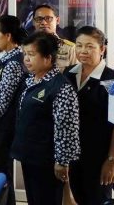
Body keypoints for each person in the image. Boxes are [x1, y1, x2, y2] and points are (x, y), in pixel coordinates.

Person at [11, 31, 80, 205]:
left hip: (47, 160)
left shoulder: (61, 87)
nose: (26, 59)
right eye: (25, 54)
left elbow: (66, 128)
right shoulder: (30, 80)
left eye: (31, 54)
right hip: (29, 155)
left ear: (48, 58)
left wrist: (62, 161)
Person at [64, 26, 114, 205]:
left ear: (102, 49)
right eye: (79, 45)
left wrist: (113, 160)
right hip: (72, 154)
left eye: (90, 46)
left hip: (99, 155)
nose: (83, 51)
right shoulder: (68, 73)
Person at [0, 15, 26, 203]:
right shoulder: (6, 59)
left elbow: (2, 101)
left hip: (4, 126)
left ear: (8, 36)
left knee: (1, 171)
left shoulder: (13, 63)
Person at [33, 4, 77, 70]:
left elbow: (76, 74)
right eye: (39, 19)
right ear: (33, 22)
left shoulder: (70, 49)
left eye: (48, 18)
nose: (43, 22)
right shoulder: (25, 48)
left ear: (57, 20)